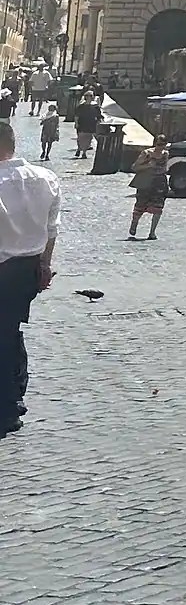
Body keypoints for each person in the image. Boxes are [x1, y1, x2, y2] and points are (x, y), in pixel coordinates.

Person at [0, 118, 62, 437]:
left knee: (5, 335)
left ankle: (8, 405)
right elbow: (51, 230)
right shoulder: (45, 178)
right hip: (26, 269)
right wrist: (45, 266)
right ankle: (14, 397)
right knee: (9, 332)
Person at [128, 139, 169, 240]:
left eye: (163, 145)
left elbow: (165, 167)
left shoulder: (165, 154)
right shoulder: (146, 153)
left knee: (158, 207)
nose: (161, 147)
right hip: (146, 182)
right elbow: (135, 167)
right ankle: (134, 224)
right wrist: (148, 166)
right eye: (159, 144)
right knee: (140, 205)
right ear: (155, 144)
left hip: (159, 183)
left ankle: (152, 232)